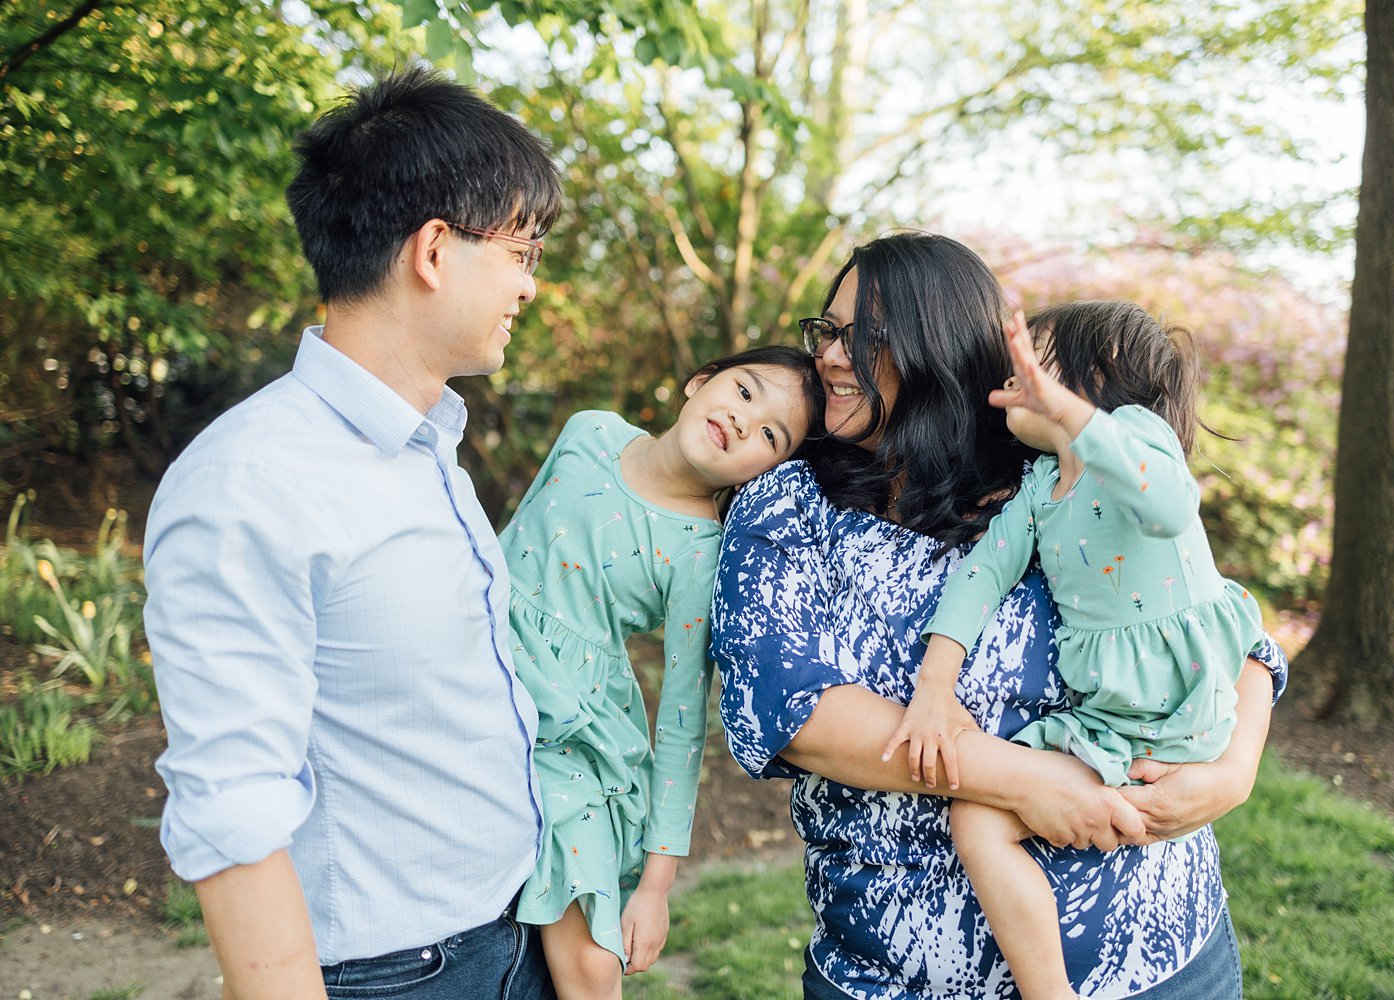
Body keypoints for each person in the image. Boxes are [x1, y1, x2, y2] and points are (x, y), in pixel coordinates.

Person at [710, 231, 1289, 1000]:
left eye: (866, 337)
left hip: (1166, 954)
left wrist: (1233, 770)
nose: (833, 356)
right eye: (831, 331)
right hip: (902, 976)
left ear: (941, 346)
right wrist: (1031, 783)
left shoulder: (1052, 469)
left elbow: (1218, 618)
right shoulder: (789, 504)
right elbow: (790, 708)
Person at [143, 66, 562, 999]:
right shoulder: (252, 482)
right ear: (435, 250)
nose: (532, 285)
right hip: (393, 978)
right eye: (524, 252)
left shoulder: (428, 445)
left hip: (510, 938)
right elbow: (232, 807)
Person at [883, 302, 1263, 1000]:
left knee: (1141, 810)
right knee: (976, 821)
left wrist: (1063, 409)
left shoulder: (1137, 440)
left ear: (1094, 377)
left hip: (1184, 699)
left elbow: (1171, 506)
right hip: (1114, 715)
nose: (1014, 377)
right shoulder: (1036, 489)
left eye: (1040, 360)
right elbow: (980, 576)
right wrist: (935, 684)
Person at [504, 346, 822, 1000]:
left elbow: (681, 723)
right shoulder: (588, 430)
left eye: (770, 434)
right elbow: (509, 546)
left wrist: (656, 886)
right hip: (481, 663)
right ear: (699, 380)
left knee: (593, 966)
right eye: (743, 391)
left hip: (573, 735)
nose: (743, 420)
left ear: (768, 471)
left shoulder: (702, 552)